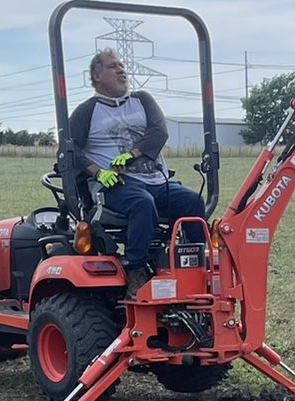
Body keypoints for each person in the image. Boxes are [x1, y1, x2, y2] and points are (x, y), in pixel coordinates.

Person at [67, 50, 207, 270]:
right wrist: (97, 172)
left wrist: (133, 153)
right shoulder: (87, 112)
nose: (121, 69)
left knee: (193, 202)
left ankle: (195, 264)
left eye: (121, 65)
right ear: (96, 76)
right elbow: (69, 150)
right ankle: (136, 269)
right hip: (116, 185)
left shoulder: (142, 100)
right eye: (112, 66)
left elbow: (159, 131)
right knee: (142, 203)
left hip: (157, 182)